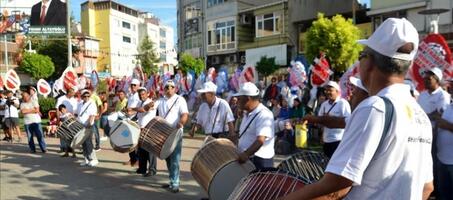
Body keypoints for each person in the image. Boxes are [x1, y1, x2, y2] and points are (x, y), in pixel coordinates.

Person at [283, 18, 434, 200]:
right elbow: (427, 188)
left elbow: (337, 187)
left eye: (361, 56)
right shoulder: (420, 115)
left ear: (369, 62)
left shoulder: (374, 108)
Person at [156, 80, 189, 193]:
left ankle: (175, 183)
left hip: (175, 133)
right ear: (164, 89)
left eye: (171, 87)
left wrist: (181, 122)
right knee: (167, 157)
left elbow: (185, 114)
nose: (169, 89)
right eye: (167, 87)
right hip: (163, 133)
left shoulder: (180, 99)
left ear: (175, 89)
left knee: (175, 159)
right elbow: (149, 108)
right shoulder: (160, 101)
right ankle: (172, 180)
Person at [303, 81, 351, 158]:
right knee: (326, 162)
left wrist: (331, 118)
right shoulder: (324, 104)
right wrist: (322, 134)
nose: (328, 92)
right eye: (326, 90)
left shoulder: (343, 103)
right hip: (326, 140)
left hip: (339, 140)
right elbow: (320, 121)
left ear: (337, 92)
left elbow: (347, 121)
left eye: (330, 90)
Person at [235, 82, 275, 170]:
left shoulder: (264, 114)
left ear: (247, 99)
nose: (237, 101)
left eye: (239, 98)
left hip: (260, 162)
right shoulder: (247, 113)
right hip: (249, 158)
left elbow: (260, 141)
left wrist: (246, 154)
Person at [434, 78, 453, 200]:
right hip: (442, 159)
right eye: (451, 85)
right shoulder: (449, 106)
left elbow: (444, 124)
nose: (451, 88)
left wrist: (445, 124)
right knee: (443, 193)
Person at [135, 87, 157, 177]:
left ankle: (152, 170)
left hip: (149, 129)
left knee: (150, 150)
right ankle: (142, 168)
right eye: (140, 95)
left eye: (143, 94)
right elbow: (138, 115)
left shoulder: (151, 102)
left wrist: (132, 109)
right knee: (141, 150)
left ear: (147, 94)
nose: (141, 96)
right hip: (140, 128)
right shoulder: (140, 102)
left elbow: (143, 110)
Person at [77, 90, 99, 167]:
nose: (86, 97)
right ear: (82, 96)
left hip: (88, 126)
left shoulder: (92, 103)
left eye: (88, 96)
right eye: (85, 96)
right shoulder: (79, 103)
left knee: (89, 143)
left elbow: (92, 115)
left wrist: (89, 124)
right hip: (81, 125)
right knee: (83, 143)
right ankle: (86, 159)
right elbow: (78, 115)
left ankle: (94, 159)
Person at [124, 79, 141, 167]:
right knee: (129, 141)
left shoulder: (139, 96)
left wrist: (132, 112)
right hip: (129, 119)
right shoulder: (131, 96)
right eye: (132, 85)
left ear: (138, 86)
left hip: (136, 120)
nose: (133, 86)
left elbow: (140, 108)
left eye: (135, 85)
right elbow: (128, 107)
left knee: (135, 142)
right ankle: (132, 159)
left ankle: (137, 160)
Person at [55, 88, 78, 154]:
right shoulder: (61, 99)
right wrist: (58, 119)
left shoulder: (74, 100)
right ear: (69, 93)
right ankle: (63, 147)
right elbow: (57, 109)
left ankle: (69, 147)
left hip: (71, 118)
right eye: (72, 92)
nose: (74, 94)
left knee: (70, 134)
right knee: (62, 133)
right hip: (63, 118)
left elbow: (75, 110)